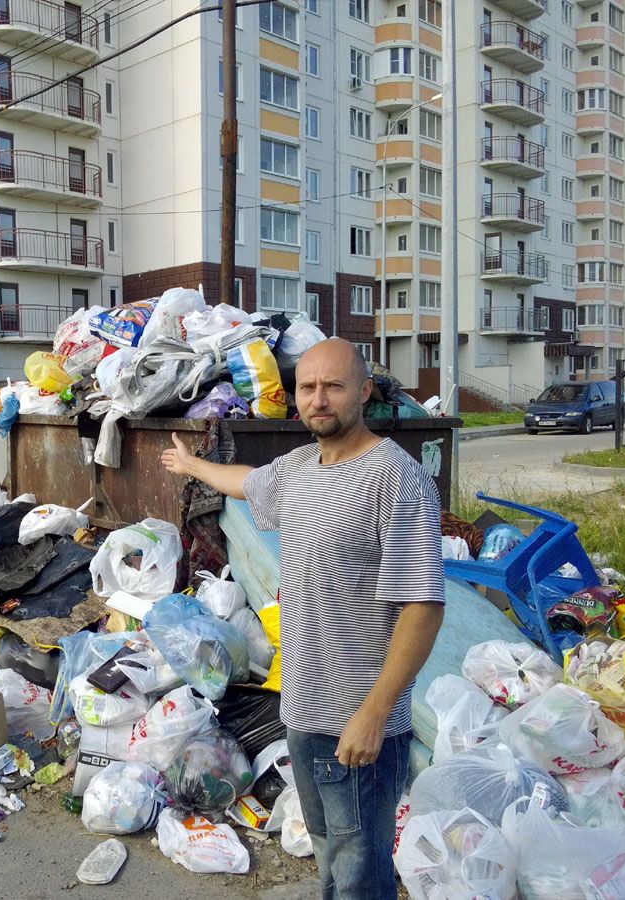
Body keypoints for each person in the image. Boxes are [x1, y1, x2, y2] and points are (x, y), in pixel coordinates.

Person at [161, 337, 444, 900]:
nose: (319, 399)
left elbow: (423, 607)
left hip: (358, 721)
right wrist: (193, 464)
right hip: (303, 707)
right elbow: (248, 482)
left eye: (333, 386)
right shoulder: (299, 467)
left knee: (359, 868)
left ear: (363, 392)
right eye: (307, 388)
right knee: (329, 851)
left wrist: (374, 714)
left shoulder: (395, 478)